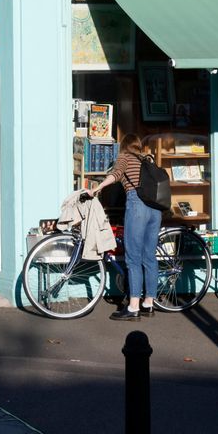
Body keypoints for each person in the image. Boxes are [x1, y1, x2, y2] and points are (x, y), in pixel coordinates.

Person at [95, 133, 160, 321]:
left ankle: (133, 307)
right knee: (150, 257)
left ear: (123, 145)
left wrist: (97, 188)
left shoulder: (124, 157)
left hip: (137, 206)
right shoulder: (147, 159)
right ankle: (149, 303)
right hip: (155, 209)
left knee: (133, 258)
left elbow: (115, 175)